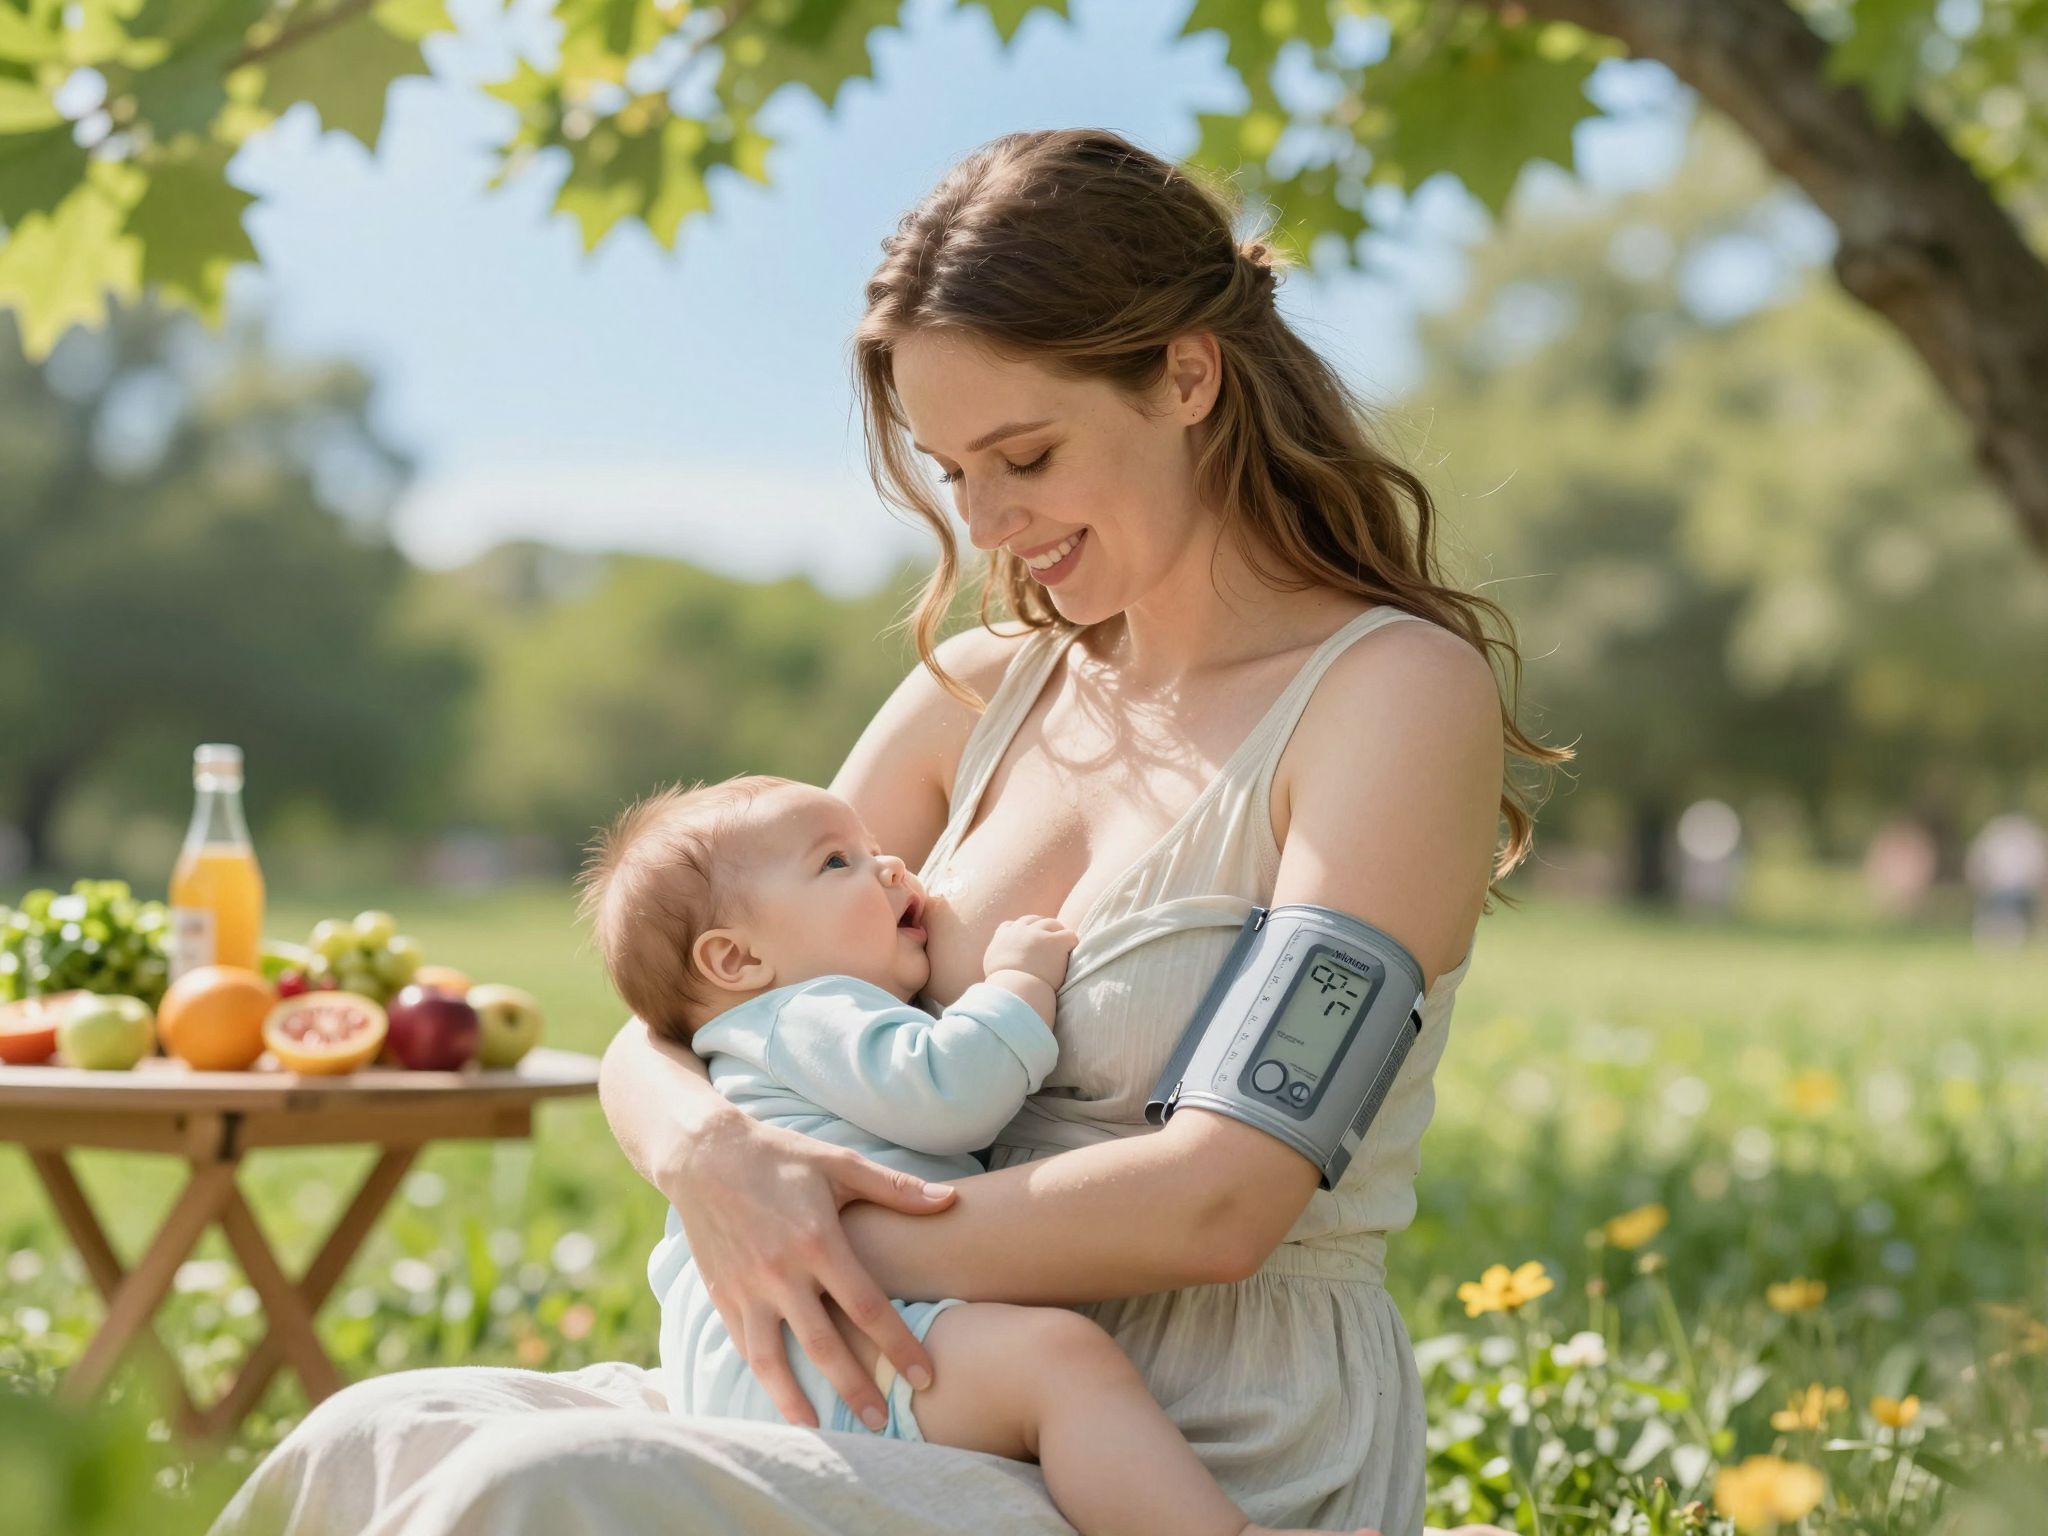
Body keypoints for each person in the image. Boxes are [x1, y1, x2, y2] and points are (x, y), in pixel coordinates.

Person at [212, 126, 1561, 1536]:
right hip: (894, 1379)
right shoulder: (978, 691)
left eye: (1025, 455)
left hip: (1193, 1441)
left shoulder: (1389, 698)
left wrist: (820, 1229)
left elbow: (1220, 1204)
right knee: (372, 1433)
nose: (987, 524)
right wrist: (707, 1159)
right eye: (952, 470)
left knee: (529, 1489)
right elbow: (679, 1007)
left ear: (1185, 376)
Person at [580, 773, 1378, 1536]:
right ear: (736, 960)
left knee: (1049, 1366)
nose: (893, 866)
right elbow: (948, 1090)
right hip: (824, 1350)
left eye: (872, 848)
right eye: (836, 862)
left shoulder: (754, 1042)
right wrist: (1018, 985)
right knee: (1058, 1364)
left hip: (776, 1354)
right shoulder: (808, 1011)